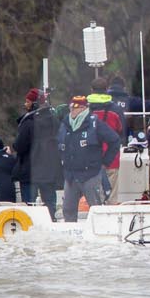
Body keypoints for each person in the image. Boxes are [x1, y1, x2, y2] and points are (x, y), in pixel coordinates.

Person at [56, 91, 118, 221]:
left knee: (96, 209)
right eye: (71, 106)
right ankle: (70, 234)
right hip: (70, 175)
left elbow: (114, 140)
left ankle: (100, 233)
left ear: (83, 108)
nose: (72, 109)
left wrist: (105, 162)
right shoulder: (65, 124)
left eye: (76, 107)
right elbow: (59, 145)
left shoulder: (94, 124)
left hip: (90, 174)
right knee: (68, 209)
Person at [13, 88, 62, 214]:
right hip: (49, 169)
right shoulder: (54, 120)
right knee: (50, 202)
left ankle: (31, 226)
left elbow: (19, 146)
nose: (25, 104)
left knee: (29, 205)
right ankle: (51, 220)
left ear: (34, 104)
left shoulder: (28, 123)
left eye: (28, 101)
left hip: (30, 170)